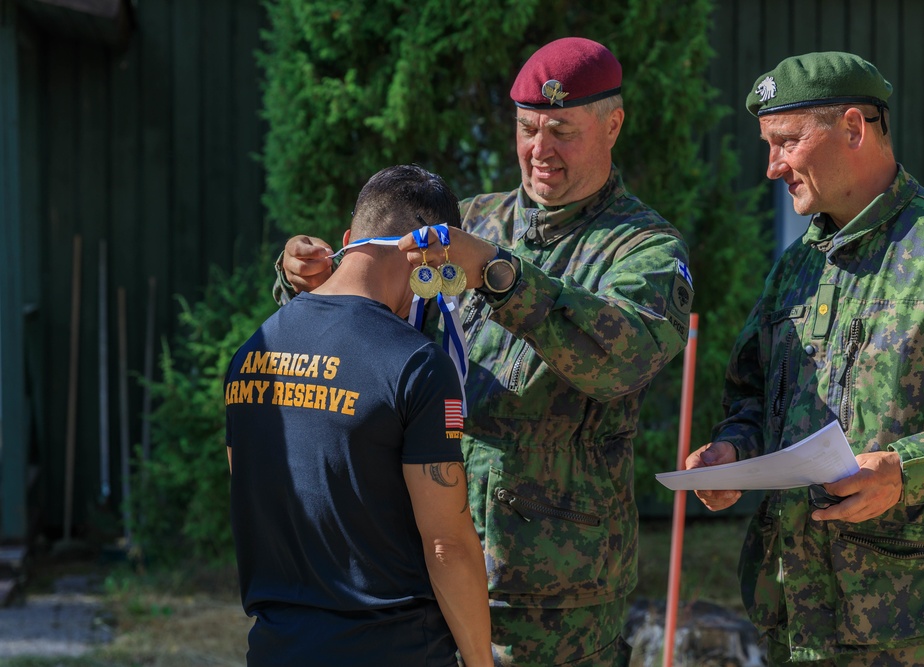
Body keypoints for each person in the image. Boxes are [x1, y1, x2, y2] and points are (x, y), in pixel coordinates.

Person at [274, 37, 693, 666]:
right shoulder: (472, 219)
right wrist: (304, 279)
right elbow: (369, 324)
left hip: (553, 603)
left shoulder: (644, 249)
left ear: (613, 125)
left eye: (561, 130)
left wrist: (501, 276)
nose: (540, 150)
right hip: (424, 570)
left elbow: (622, 362)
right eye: (527, 129)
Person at [686, 51, 924, 666]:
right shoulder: (797, 267)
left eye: (786, 142)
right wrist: (732, 452)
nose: (773, 166)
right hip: (794, 624)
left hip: (918, 630)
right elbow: (751, 394)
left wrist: (906, 470)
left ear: (853, 128)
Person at [226, 164, 492, 667]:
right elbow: (447, 547)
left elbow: (248, 487)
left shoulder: (253, 350)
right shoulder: (416, 365)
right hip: (395, 647)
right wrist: (482, 661)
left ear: (349, 240)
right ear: (429, 260)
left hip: (276, 647)